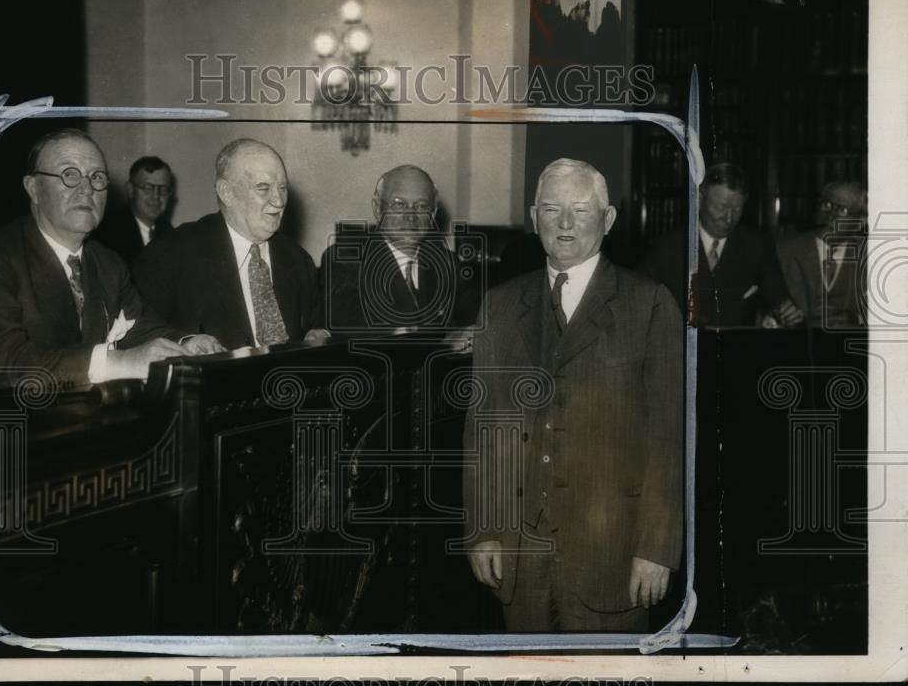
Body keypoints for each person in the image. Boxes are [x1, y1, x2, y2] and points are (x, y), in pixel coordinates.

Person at [464, 158, 682, 632]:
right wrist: (482, 532)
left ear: (607, 219)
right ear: (532, 215)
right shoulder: (500, 306)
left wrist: (656, 549)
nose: (564, 224)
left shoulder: (649, 304)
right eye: (551, 209)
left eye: (580, 210)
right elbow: (483, 431)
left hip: (614, 555)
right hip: (520, 558)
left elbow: (669, 439)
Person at [0, 129, 223, 391]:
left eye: (97, 177)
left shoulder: (107, 262)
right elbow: (2, 365)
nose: (87, 189)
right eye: (70, 175)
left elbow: (141, 328)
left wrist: (186, 343)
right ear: (33, 188)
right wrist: (118, 363)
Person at [134, 138, 325, 350]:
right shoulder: (171, 254)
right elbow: (138, 330)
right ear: (226, 192)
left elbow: (313, 328)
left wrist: (318, 336)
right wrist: (185, 342)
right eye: (263, 188)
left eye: (282, 188)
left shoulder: (299, 261)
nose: (279, 201)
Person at [639, 162, 804, 327]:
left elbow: (777, 301)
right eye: (721, 207)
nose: (729, 218)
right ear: (700, 199)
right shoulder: (666, 249)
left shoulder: (758, 247)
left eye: (737, 209)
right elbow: (640, 305)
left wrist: (786, 313)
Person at [320, 165, 473, 331]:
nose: (410, 216)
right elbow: (352, 326)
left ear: (433, 214)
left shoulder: (448, 263)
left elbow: (478, 322)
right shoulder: (344, 259)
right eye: (399, 205)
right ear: (378, 209)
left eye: (421, 206)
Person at [777, 181, 867, 328]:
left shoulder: (868, 255)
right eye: (827, 205)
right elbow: (761, 308)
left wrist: (856, 319)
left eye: (842, 210)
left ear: (860, 222)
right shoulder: (783, 249)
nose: (830, 215)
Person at [94, 155, 174, 265]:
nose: (156, 196)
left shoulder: (169, 232)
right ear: (131, 190)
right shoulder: (108, 231)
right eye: (148, 188)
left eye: (163, 189)